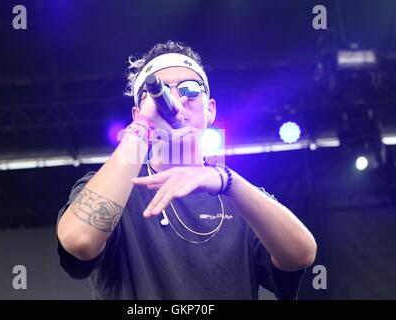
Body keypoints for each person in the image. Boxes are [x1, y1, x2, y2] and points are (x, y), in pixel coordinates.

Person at [56, 40, 317, 300]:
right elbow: (79, 241)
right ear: (137, 112)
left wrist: (226, 181)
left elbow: (301, 254)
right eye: (160, 91)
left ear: (211, 110)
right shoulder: (114, 187)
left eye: (190, 89)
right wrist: (143, 126)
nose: (177, 99)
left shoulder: (238, 195)